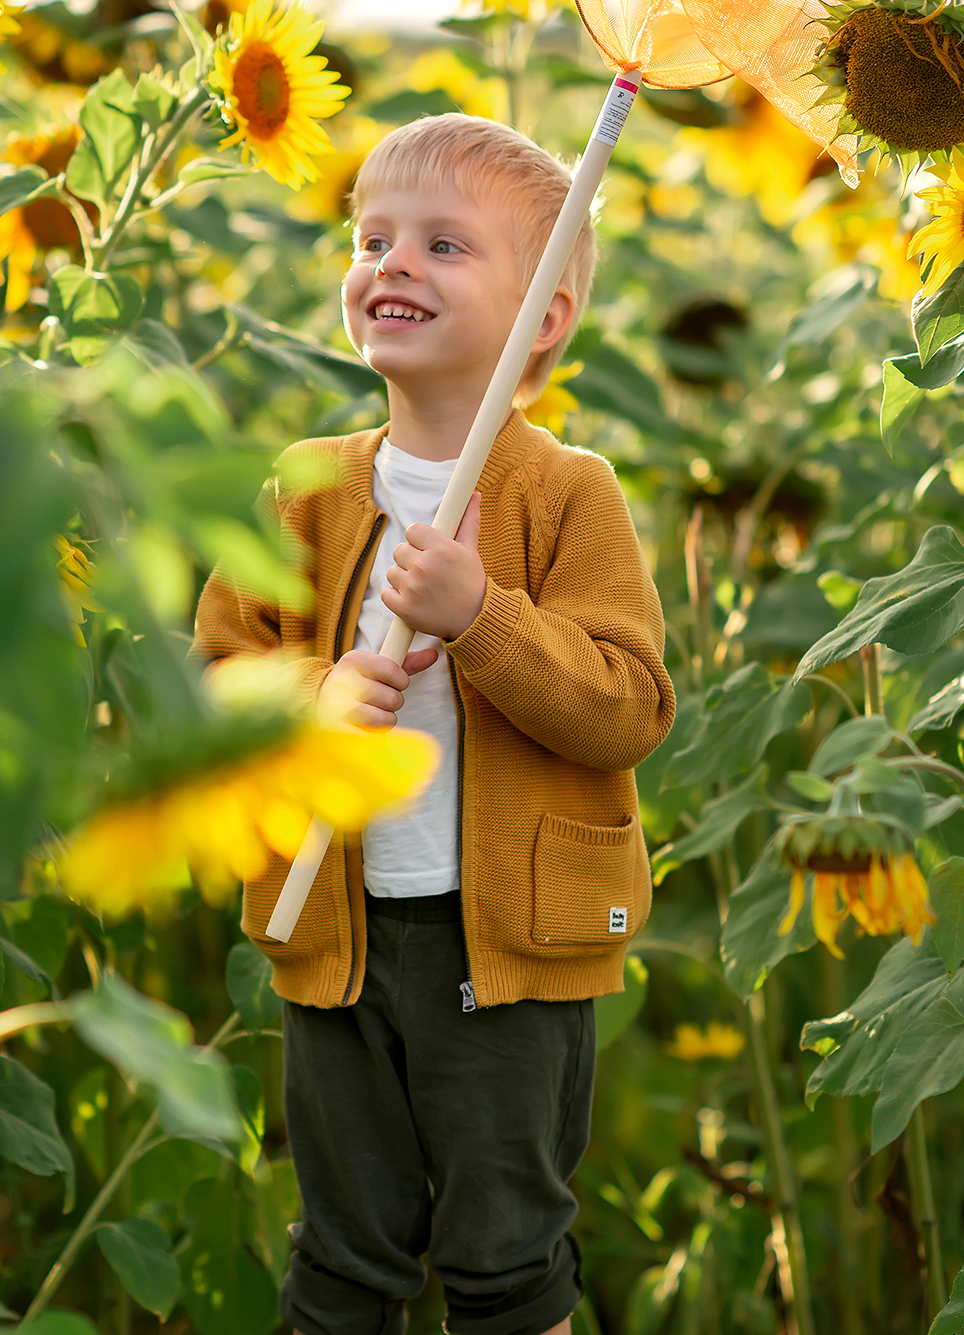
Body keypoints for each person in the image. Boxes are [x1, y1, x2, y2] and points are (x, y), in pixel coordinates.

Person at [191, 112, 676, 1335]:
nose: (391, 264)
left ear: (545, 320)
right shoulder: (307, 488)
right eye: (372, 238)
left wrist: (484, 619)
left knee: (506, 1256)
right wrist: (307, 701)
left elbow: (627, 707)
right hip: (338, 941)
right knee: (342, 1257)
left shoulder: (568, 495)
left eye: (444, 246)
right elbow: (215, 676)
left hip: (503, 954)